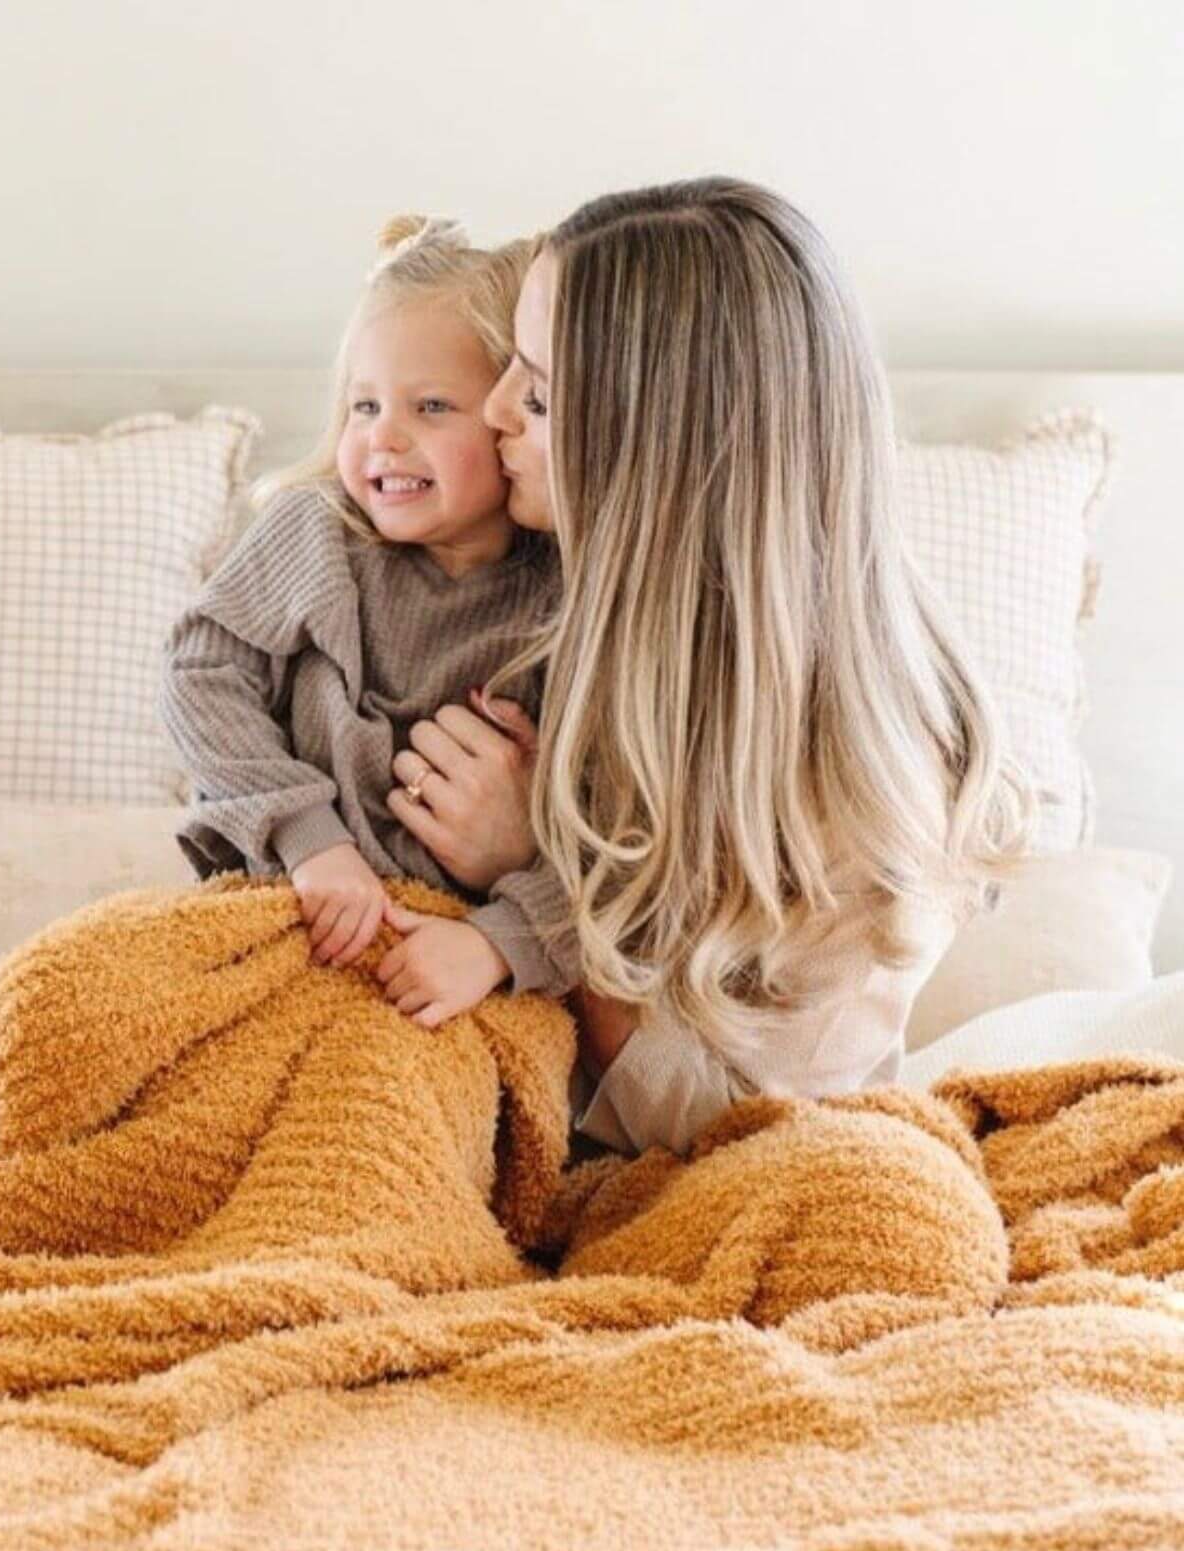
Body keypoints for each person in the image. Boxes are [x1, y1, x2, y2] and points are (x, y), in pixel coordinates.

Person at [381, 178, 1033, 1157]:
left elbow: (735, 1136)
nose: (497, 409)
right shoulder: (498, 577)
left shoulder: (878, 768)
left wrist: (535, 872)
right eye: (511, 364)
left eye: (544, 393)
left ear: (656, 456)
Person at [159, 214, 581, 1029]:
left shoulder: (570, 602)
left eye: (429, 406)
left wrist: (501, 942)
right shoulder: (317, 532)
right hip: (288, 912)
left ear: (510, 413)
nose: (383, 437)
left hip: (455, 976)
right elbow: (199, 674)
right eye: (362, 405)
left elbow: (619, 846)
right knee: (76, 993)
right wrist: (311, 840)